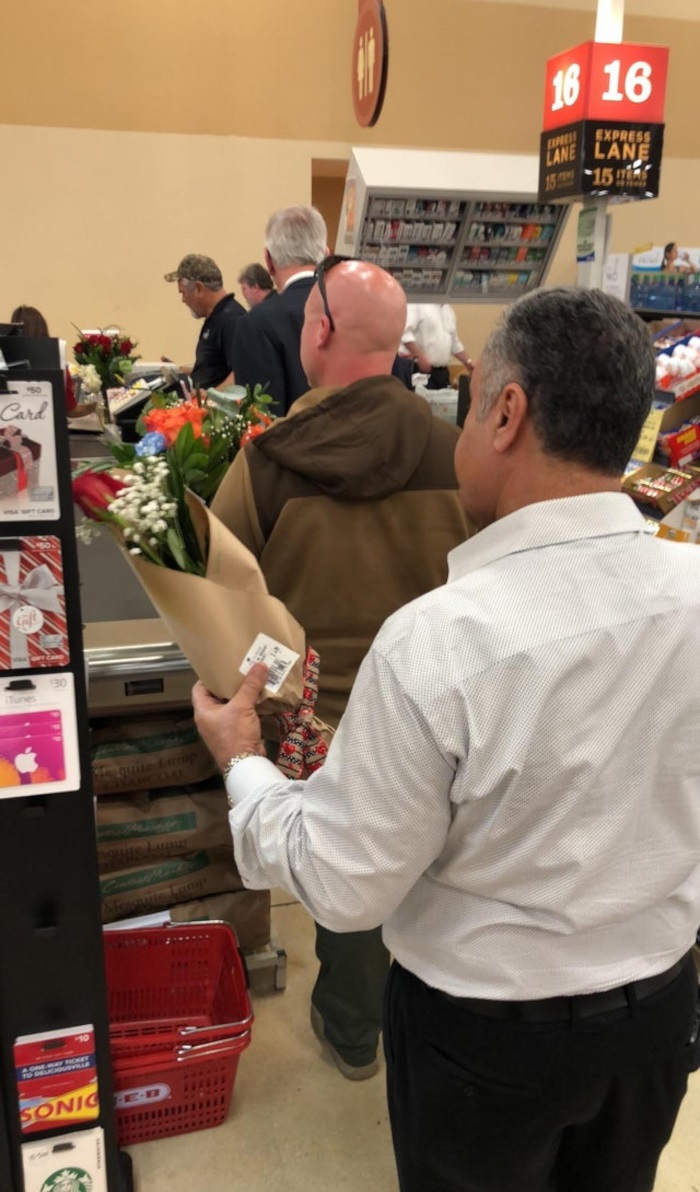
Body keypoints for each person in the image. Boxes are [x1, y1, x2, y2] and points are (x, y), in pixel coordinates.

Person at [194, 286, 700, 1192]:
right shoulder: (690, 588)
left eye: (469, 407)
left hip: (488, 1038)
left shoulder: (440, 641)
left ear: (507, 413)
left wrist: (242, 763)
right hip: (660, 1008)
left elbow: (346, 887)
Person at [211, 256, 472, 1080]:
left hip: (314, 724)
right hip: (449, 710)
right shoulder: (459, 457)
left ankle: (354, 1033)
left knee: (347, 877)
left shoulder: (263, 466)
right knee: (442, 867)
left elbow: (220, 602)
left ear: (317, 330)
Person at [229, 206, 327, 416]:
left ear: (268, 260)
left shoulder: (256, 324)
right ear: (326, 254)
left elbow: (260, 420)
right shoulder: (356, 309)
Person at [164, 254, 246, 390]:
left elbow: (242, 372)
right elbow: (213, 371)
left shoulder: (232, 320)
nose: (183, 300)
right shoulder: (217, 317)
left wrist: (210, 396)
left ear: (199, 288)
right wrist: (179, 371)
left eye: (183, 293)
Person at [402, 302, 474, 389]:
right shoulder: (417, 304)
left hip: (442, 372)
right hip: (420, 370)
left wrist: (468, 362)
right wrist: (419, 357)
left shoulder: (447, 310)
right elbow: (405, 333)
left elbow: (454, 343)